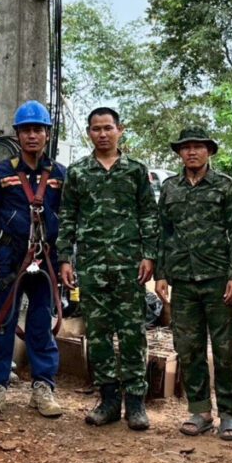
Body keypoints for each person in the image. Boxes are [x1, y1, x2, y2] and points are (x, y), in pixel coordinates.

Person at [56, 107, 159, 430]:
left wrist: (149, 255)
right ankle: (109, 400)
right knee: (98, 334)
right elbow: (68, 217)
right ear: (89, 133)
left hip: (130, 265)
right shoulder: (78, 172)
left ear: (120, 130)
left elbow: (148, 215)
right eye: (96, 129)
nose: (102, 134)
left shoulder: (136, 171)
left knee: (132, 333)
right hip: (92, 265)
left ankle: (137, 403)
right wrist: (64, 259)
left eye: (108, 128)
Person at [154, 128, 232, 441]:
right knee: (189, 348)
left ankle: (229, 414)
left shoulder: (225, 187)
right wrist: (162, 274)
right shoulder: (169, 189)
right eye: (186, 148)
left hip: (218, 280)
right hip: (183, 281)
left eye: (198, 147)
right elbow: (163, 233)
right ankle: (200, 411)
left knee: (224, 348)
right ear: (179, 153)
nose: (191, 152)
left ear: (209, 151)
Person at [0, 101, 65, 420]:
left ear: (46, 134)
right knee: (3, 323)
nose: (32, 136)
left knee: (41, 323)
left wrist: (66, 260)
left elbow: (68, 220)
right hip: (8, 257)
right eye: (26, 130)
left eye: (37, 130)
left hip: (45, 259)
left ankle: (43, 387)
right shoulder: (0, 173)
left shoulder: (58, 174)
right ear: (17, 134)